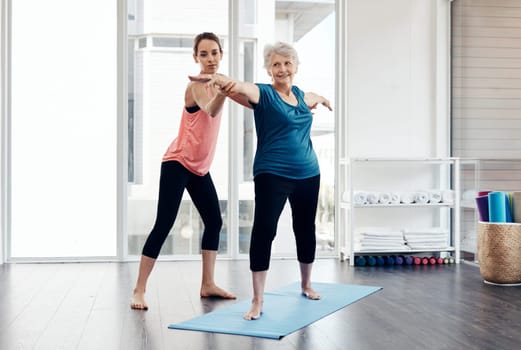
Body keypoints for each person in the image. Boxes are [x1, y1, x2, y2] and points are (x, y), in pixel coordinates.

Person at [191, 41, 332, 320]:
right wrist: (220, 79)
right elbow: (242, 87)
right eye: (276, 64)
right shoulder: (264, 93)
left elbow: (314, 96)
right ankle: (257, 300)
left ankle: (306, 284)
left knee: (305, 229)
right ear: (269, 70)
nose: (282, 69)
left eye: (287, 63)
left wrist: (325, 100)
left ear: (296, 67)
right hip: (272, 174)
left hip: (309, 174)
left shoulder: (304, 97)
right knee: (264, 231)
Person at [130, 32, 237, 310]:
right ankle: (139, 290)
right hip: (178, 162)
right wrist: (224, 93)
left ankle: (207, 284)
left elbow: (248, 95)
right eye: (204, 54)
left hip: (200, 168)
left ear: (221, 54)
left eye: (214, 52)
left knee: (214, 221)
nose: (210, 59)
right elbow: (211, 109)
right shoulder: (195, 87)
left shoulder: (222, 80)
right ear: (196, 58)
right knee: (164, 223)